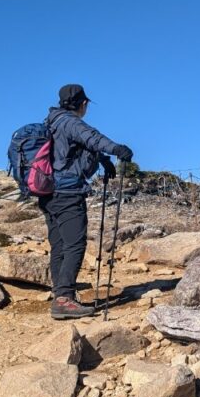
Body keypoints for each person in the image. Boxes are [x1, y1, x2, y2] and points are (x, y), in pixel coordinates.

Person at [39, 84, 132, 320]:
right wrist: (117, 150)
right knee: (75, 244)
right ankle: (64, 300)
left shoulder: (51, 121)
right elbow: (91, 137)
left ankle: (60, 292)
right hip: (67, 191)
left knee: (60, 244)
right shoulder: (70, 121)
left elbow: (77, 145)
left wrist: (103, 159)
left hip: (48, 191)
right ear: (83, 104)